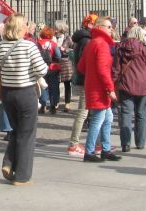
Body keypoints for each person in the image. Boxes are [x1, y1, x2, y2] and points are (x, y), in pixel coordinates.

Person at [0, 13, 47, 184]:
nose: (28, 27)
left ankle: (9, 163)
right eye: (26, 24)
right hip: (26, 92)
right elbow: (42, 69)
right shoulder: (28, 46)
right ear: (21, 28)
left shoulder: (0, 47)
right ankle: (22, 176)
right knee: (27, 133)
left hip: (8, 93)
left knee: (16, 129)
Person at [80, 16, 119, 162]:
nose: (111, 29)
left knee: (107, 117)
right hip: (99, 88)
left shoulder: (92, 42)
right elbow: (103, 70)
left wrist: (92, 74)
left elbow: (81, 66)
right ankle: (89, 152)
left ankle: (105, 149)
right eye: (109, 27)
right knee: (97, 119)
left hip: (93, 85)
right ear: (101, 27)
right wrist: (110, 88)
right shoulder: (102, 44)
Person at [115, 25, 146, 152]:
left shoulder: (120, 49)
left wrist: (113, 85)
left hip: (125, 85)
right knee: (141, 115)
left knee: (126, 115)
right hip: (143, 86)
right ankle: (140, 142)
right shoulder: (144, 49)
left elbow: (116, 69)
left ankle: (125, 143)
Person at [66, 14, 98, 155]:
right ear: (90, 25)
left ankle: (96, 143)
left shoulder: (82, 39)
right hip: (87, 80)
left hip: (85, 78)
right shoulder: (86, 40)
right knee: (83, 112)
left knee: (94, 113)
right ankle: (74, 144)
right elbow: (87, 62)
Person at [36, 26, 62, 113]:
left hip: (41, 67)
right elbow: (58, 56)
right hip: (52, 68)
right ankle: (53, 106)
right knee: (53, 87)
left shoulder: (38, 43)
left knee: (43, 86)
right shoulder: (53, 44)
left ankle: (43, 105)